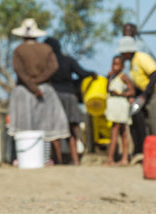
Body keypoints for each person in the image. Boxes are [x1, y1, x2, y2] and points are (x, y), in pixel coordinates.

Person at [8, 19, 70, 164]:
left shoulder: (18, 50)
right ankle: (47, 158)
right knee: (48, 126)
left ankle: (21, 157)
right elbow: (53, 67)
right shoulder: (46, 49)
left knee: (23, 125)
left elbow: (19, 71)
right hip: (45, 90)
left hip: (23, 91)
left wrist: (31, 85)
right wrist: (39, 83)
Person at [43, 37, 94, 165]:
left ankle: (58, 160)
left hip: (54, 97)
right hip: (70, 97)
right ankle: (75, 159)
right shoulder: (68, 60)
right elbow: (82, 73)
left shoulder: (48, 63)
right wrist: (92, 74)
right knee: (71, 129)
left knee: (55, 131)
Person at [121, 22, 148, 155]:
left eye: (129, 31)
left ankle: (143, 149)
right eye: (124, 31)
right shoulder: (121, 48)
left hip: (141, 89)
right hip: (128, 90)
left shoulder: (140, 48)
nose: (126, 33)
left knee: (141, 121)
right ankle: (136, 148)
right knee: (132, 122)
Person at [104, 55, 134, 165]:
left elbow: (132, 91)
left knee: (117, 132)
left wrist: (121, 94)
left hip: (120, 106)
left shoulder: (123, 77)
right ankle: (119, 158)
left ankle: (113, 158)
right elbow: (106, 89)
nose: (114, 67)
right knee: (120, 132)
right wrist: (108, 78)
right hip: (114, 107)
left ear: (122, 66)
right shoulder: (112, 77)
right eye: (113, 64)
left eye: (117, 65)